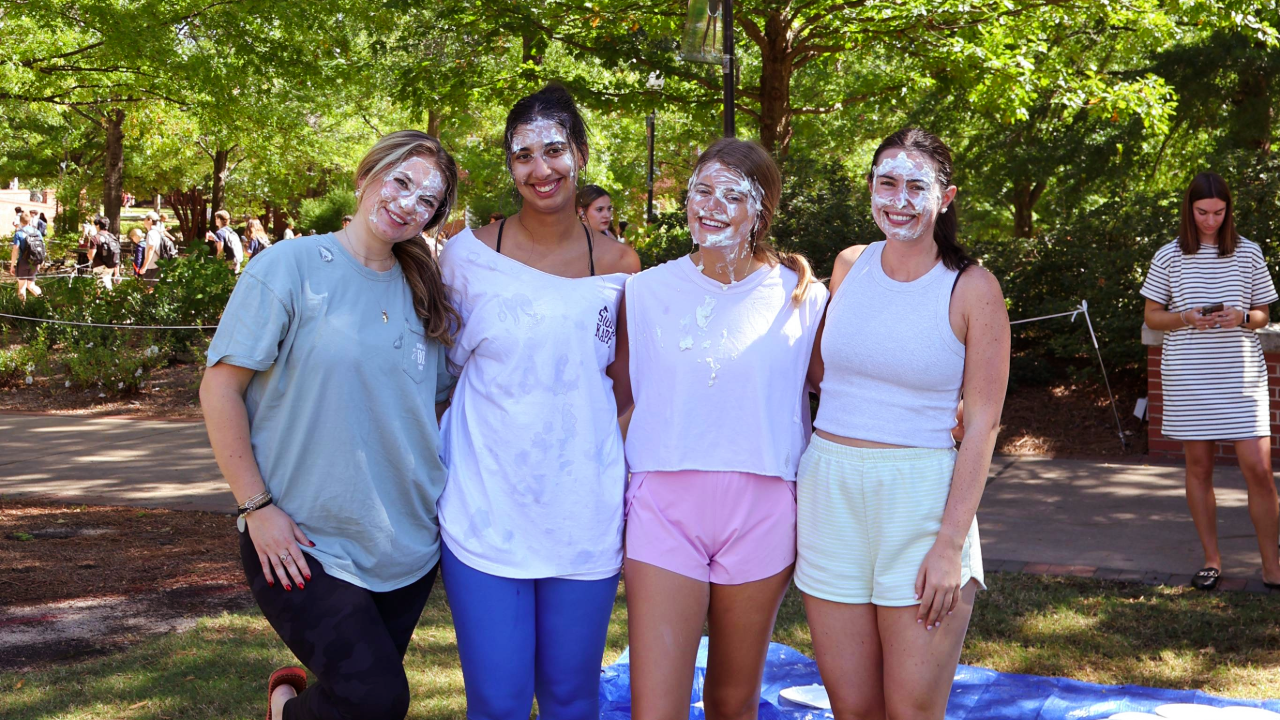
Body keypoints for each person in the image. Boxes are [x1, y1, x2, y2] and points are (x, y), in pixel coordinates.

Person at [200, 130, 461, 720]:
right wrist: (255, 506)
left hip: (408, 546)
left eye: (427, 201)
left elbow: (436, 407)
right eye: (401, 181)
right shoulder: (289, 267)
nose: (408, 203)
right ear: (367, 176)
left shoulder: (428, 292)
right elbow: (220, 388)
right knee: (378, 699)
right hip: (301, 540)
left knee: (350, 706)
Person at [437, 83, 640, 720]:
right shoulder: (467, 258)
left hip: (582, 509)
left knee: (571, 697)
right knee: (496, 702)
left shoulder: (620, 264)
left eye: (554, 150)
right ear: (509, 165)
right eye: (522, 155)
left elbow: (625, 387)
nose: (540, 168)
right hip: (485, 505)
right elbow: (438, 379)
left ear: (579, 153)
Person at [799, 128, 1009, 720]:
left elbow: (985, 424)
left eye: (916, 185)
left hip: (921, 501)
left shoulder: (974, 288)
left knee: (911, 710)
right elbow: (816, 374)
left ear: (946, 197)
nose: (899, 198)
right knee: (853, 708)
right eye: (886, 182)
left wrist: (949, 545)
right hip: (829, 495)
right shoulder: (848, 266)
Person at [614, 138, 827, 719]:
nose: (712, 206)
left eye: (733, 195)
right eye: (702, 190)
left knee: (733, 701)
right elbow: (619, 394)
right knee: (656, 707)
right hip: (664, 508)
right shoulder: (645, 290)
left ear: (762, 208)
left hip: (763, 509)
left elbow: (842, 388)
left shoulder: (804, 297)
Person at [1141, 172, 1280, 591]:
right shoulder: (1168, 256)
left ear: (1228, 211)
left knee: (1258, 469)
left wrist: (1241, 317)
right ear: (1189, 209)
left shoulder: (1248, 253)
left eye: (1219, 212)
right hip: (1189, 376)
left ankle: (1272, 566)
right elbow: (1152, 316)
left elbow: (1263, 316)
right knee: (1198, 469)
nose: (1210, 220)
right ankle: (1212, 560)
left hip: (1241, 376)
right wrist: (1186, 317)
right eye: (1202, 212)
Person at [10, 210, 44, 301]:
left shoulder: (19, 233)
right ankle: (44, 302)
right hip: (35, 262)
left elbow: (15, 250)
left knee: (22, 287)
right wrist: (40, 262)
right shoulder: (37, 232)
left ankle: (22, 310)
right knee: (31, 285)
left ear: (20, 221)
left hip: (23, 262)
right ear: (29, 221)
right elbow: (42, 247)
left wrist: (12, 265)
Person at [86, 216, 121, 291]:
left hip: (99, 266)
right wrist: (117, 273)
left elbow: (91, 255)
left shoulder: (95, 238)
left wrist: (89, 256)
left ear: (98, 225)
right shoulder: (112, 237)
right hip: (111, 267)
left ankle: (102, 301)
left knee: (100, 287)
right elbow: (116, 254)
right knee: (107, 283)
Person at [139, 211, 164, 285]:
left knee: (148, 289)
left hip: (152, 267)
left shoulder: (151, 233)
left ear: (150, 220)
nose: (144, 221)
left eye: (145, 219)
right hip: (157, 265)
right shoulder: (157, 232)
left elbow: (151, 249)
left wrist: (144, 266)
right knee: (153, 289)